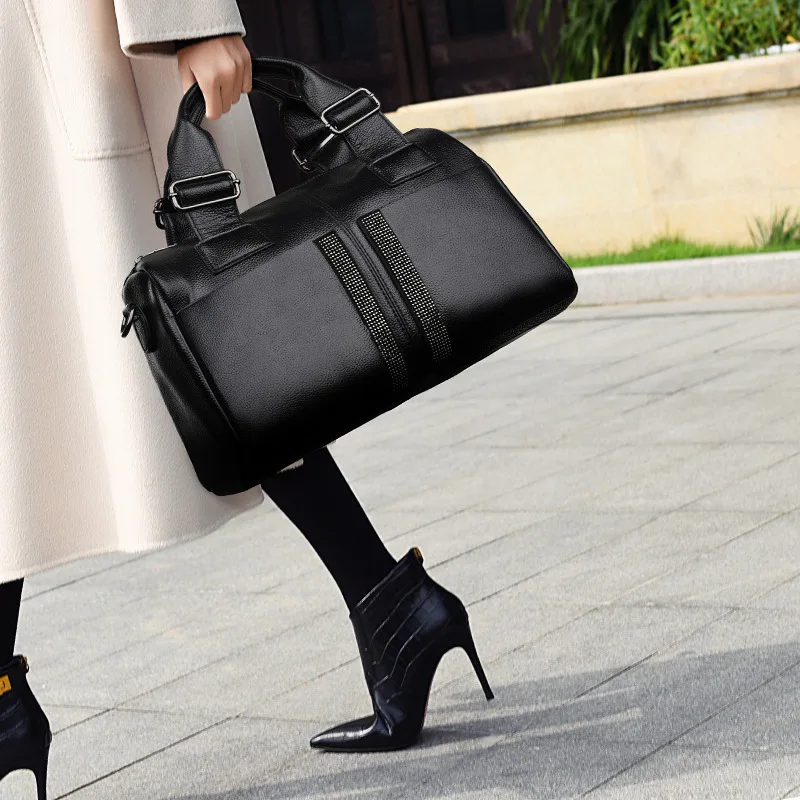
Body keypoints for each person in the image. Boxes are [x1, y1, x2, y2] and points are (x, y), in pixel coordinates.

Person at [0, 2, 492, 796]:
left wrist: (193, 17)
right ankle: (394, 606)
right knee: (36, 396)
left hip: (75, 63)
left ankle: (394, 605)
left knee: (220, 348)